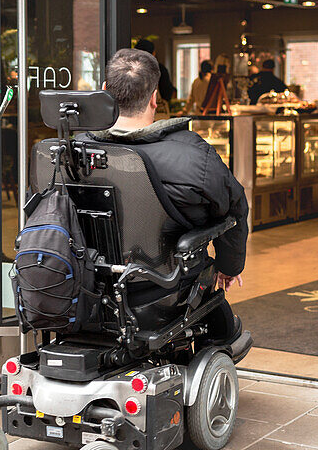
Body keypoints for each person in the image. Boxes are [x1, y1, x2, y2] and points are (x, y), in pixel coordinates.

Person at [89, 49, 249, 291]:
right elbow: (234, 210)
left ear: (105, 91)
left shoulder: (72, 153)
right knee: (224, 322)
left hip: (90, 287)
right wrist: (229, 267)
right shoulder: (193, 155)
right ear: (155, 98)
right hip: (166, 288)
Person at [134, 38, 176, 102]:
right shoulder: (159, 69)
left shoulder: (130, 69)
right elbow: (166, 94)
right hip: (153, 108)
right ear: (153, 53)